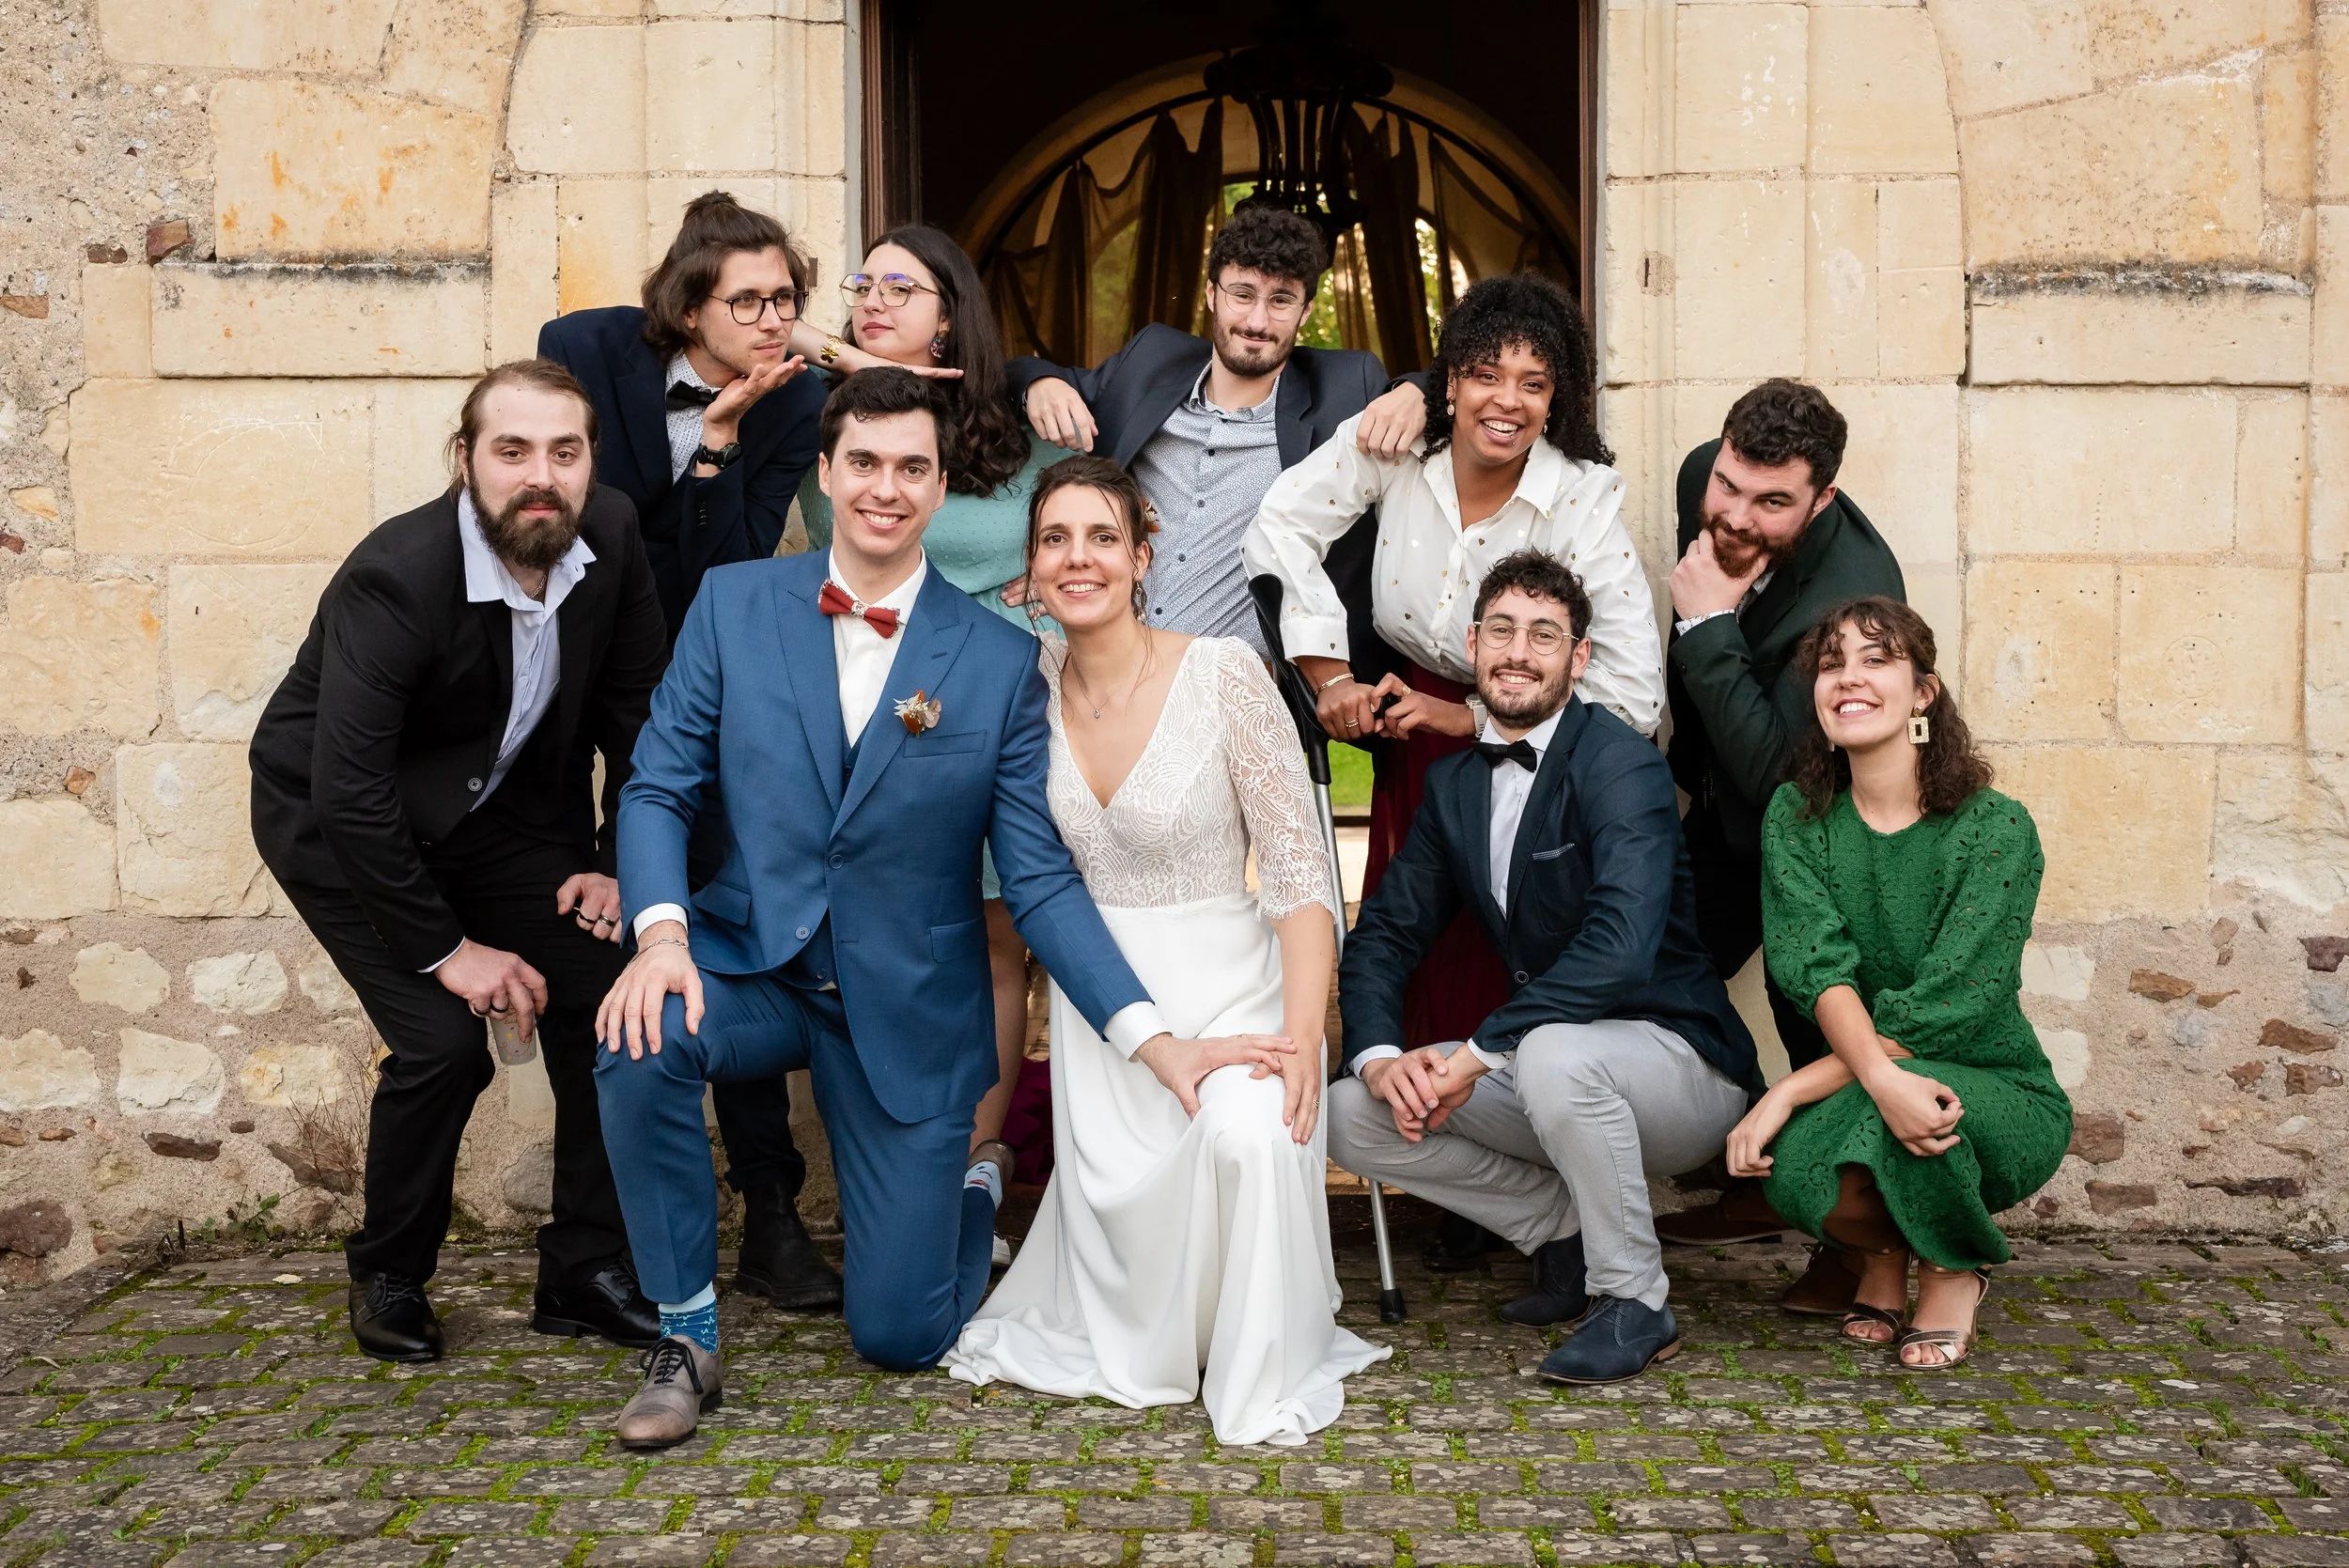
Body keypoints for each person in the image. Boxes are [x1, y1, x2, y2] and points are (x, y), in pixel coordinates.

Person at [589, 368, 1247, 1449]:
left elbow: (1033, 878)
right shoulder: (736, 604)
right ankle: (685, 1332)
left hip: (905, 1005)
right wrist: (660, 937)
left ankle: (975, 1188)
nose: (884, 488)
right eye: (863, 463)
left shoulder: (997, 664)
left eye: (910, 467)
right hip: (753, 966)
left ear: (942, 488)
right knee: (638, 1032)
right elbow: (659, 784)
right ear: (824, 474)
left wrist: (1156, 1042)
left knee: (899, 1334)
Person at [943, 457, 1390, 1445]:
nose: (1079, 557)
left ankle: (1259, 1361)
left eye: (1102, 537)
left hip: (1233, 989)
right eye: (1055, 539)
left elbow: (1300, 875)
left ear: (1141, 557)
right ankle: (1158, 1323)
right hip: (1109, 1017)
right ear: (1028, 572)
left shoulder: (1225, 673)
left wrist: (1300, 1032)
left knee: (1250, 1133)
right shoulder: (1020, 692)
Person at [248, 360, 668, 1363]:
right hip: (340, 826)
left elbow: (645, 726)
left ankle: (583, 1271)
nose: (541, 475)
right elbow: (348, 790)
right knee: (441, 1046)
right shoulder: (399, 575)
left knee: (620, 994)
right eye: (512, 450)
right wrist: (450, 951)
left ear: (590, 462)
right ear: (465, 459)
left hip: (492, 819)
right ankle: (389, 1270)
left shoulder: (608, 535)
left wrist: (617, 863)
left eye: (564, 453)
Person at [540, 190, 910, 1312]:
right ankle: (597, 1251)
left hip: (699, 679)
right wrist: (694, 441)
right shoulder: (584, 350)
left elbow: (734, 565)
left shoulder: (792, 403)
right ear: (686, 302)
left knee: (737, 934)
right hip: (572, 676)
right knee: (603, 959)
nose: (770, 319)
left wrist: (723, 454)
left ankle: (772, 1217)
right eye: (746, 299)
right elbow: (586, 521)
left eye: (786, 300)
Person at [1325, 550, 1759, 1386]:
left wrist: (1472, 1055)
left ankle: (1636, 1299)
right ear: (1473, 644)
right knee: (1351, 1114)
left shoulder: (1622, 764)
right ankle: (1562, 1232)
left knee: (1556, 1050)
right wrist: (1381, 1057)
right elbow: (1384, 933)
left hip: (1680, 1067)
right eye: (1503, 630)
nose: (1519, 651)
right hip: (1550, 1065)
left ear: (1580, 657)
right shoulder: (1454, 785)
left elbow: (1619, 943)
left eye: (1545, 634)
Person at [1245, 272, 1664, 1060]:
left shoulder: (1580, 500)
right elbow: (1279, 525)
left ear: (1556, 399)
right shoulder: (1399, 449)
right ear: (1453, 380)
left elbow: (1633, 694)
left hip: (1529, 754)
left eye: (1533, 385)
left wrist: (1475, 717)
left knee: (1498, 943)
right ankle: (1407, 1114)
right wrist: (1328, 673)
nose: (1507, 402)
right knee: (1407, 941)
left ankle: (1503, 1128)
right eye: (1486, 375)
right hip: (1410, 739)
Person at [794, 225, 1075, 1229]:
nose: (872, 297)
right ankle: (895, 1164)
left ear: (950, 311)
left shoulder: (1019, 428)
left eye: (900, 286)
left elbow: (1090, 532)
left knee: (996, 931)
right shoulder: (820, 409)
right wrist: (858, 365)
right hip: (873, 706)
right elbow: (764, 334)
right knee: (893, 929)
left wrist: (1039, 582)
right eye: (862, 283)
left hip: (995, 707)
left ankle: (979, 1159)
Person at [1725, 598, 2068, 1370]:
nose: (1849, 678)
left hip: (1991, 1083)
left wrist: (1790, 1086)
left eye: (1877, 659)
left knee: (1914, 1106)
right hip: (1864, 1081)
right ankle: (1883, 1252)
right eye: (1833, 662)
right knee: (1800, 1165)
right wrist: (1868, 1078)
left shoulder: (1996, 829)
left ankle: (1952, 1268)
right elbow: (1816, 970)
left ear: (1924, 691)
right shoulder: (1798, 816)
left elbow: (1951, 1007)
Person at [1648, 380, 1906, 1318]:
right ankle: (1754, 1173)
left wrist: (1707, 623)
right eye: (1727, 485)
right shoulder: (1698, 483)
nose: (1733, 516)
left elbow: (1781, 784)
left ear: (1821, 499)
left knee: (1818, 1024)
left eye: (1771, 503)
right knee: (1658, 976)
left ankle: (1851, 1250)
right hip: (1715, 819)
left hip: (1817, 842)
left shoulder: (1856, 606)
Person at [1011, 203, 1410, 660]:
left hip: (1246, 687)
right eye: (1242, 294)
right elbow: (1011, 373)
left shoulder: (1344, 388)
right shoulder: (1151, 360)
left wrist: (1416, 393)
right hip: (1109, 662)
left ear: (1305, 312)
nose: (1258, 322)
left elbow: (1465, 401)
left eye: (1280, 300)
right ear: (1210, 294)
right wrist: (1039, 384)